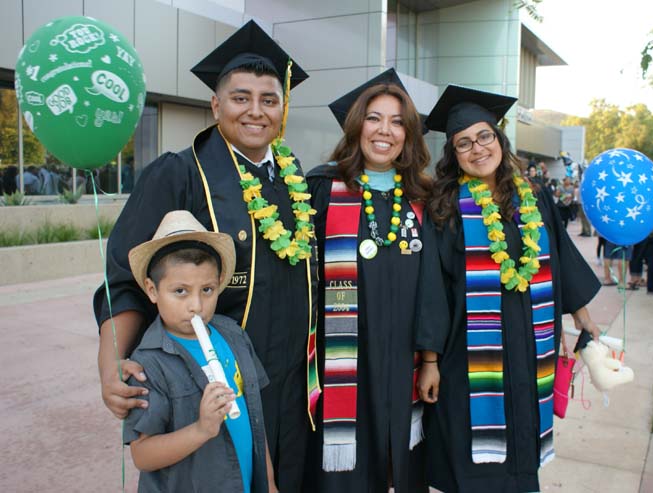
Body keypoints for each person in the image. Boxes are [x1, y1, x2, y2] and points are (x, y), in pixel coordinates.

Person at [93, 21, 316, 491]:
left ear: (282, 108)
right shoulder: (178, 174)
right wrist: (112, 364)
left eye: (269, 100)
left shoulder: (294, 181)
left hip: (292, 388)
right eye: (240, 97)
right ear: (216, 105)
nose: (255, 111)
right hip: (208, 388)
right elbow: (123, 277)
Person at [423, 85, 601, 493]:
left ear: (499, 139)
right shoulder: (445, 208)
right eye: (463, 143)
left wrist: (582, 315)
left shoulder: (533, 198)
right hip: (470, 360)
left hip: (528, 351)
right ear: (454, 155)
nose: (477, 148)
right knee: (474, 460)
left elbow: (560, 259)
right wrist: (430, 360)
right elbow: (433, 291)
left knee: (523, 451)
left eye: (484, 136)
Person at [304, 69, 446, 493]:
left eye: (397, 121)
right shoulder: (322, 187)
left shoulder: (422, 198)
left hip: (405, 358)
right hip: (341, 359)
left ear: (409, 133)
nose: (385, 130)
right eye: (374, 118)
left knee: (399, 465)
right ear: (356, 126)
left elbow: (432, 286)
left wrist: (431, 360)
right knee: (342, 473)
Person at [123, 210, 276, 492]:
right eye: (180, 291)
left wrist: (269, 482)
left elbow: (255, 417)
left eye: (207, 290)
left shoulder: (233, 335)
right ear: (152, 290)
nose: (196, 305)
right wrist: (201, 429)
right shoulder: (148, 364)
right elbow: (142, 455)